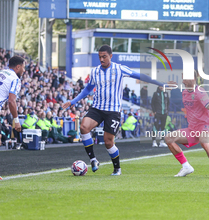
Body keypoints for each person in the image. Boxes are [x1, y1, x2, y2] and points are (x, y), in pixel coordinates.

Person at [62, 45, 164, 176]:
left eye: (104, 56)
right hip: (97, 108)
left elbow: (139, 75)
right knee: (83, 127)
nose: (101, 59)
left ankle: (117, 169)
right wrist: (73, 101)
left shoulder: (119, 69)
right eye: (99, 57)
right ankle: (93, 160)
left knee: (108, 142)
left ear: (111, 56)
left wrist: (159, 83)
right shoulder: (95, 71)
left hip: (113, 111)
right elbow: (88, 89)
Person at [165, 71, 209, 178]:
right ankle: (186, 167)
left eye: (185, 78)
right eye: (182, 77)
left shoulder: (199, 92)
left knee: (204, 142)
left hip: (204, 126)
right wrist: (164, 86)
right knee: (168, 138)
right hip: (192, 129)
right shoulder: (184, 92)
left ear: (193, 79)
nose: (183, 80)